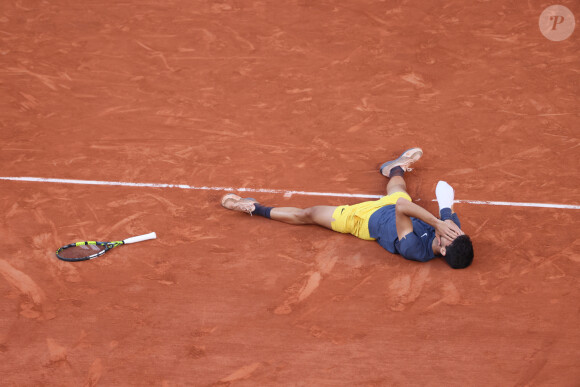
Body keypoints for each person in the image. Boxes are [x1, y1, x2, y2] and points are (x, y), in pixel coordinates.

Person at [221, 148, 474, 269]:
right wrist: (445, 213)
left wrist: (437, 223)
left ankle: (255, 207)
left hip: (361, 221)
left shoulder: (413, 249)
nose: (451, 230)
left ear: (442, 250)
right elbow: (443, 189)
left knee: (308, 214)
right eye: (455, 232)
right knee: (396, 184)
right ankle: (393, 167)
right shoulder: (453, 233)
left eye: (449, 236)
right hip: (394, 206)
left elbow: (402, 208)